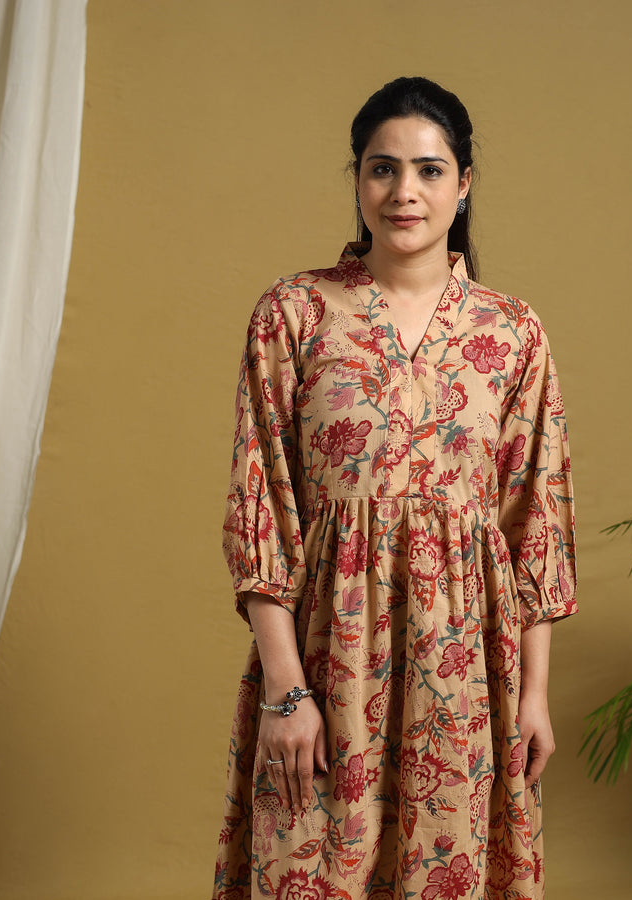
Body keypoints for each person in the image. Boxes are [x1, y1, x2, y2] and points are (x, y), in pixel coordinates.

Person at [212, 76, 577, 900]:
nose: (404, 191)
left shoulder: (512, 331)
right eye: (382, 169)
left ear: (464, 183)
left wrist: (534, 696)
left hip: (466, 669)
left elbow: (536, 522)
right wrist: (285, 693)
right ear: (358, 179)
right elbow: (261, 507)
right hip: (324, 661)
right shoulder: (294, 314)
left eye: (428, 170)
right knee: (311, 867)